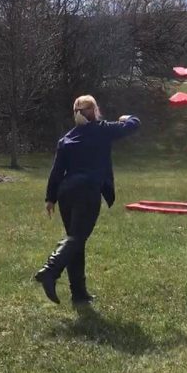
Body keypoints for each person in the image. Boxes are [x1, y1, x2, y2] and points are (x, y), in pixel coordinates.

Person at [35, 95, 141, 304]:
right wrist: (125, 116)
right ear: (94, 111)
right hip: (87, 191)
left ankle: (79, 293)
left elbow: (57, 171)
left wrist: (50, 198)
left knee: (76, 240)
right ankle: (51, 270)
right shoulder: (102, 129)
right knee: (77, 238)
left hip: (66, 194)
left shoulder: (66, 138)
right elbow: (134, 124)